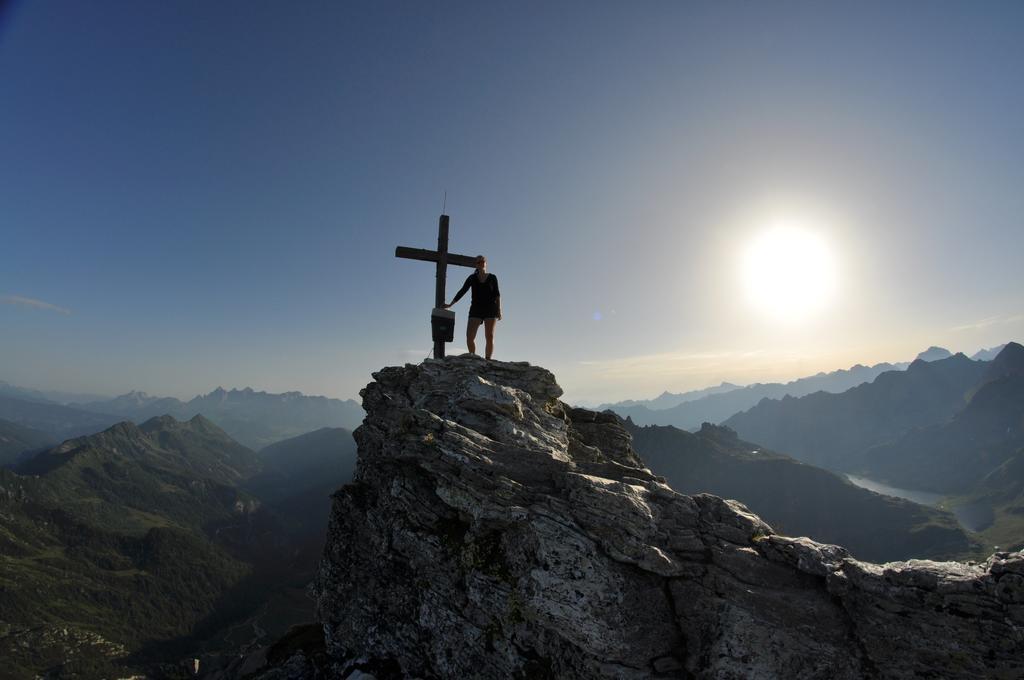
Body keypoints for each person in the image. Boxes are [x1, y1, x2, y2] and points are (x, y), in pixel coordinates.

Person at [443, 255, 501, 359]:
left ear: (485, 263)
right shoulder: (472, 278)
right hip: (476, 309)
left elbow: (497, 294)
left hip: (490, 309)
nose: (481, 263)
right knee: (469, 337)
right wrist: (450, 304)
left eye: (482, 261)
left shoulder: (492, 277)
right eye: (478, 262)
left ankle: (488, 361)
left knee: (489, 336)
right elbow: (462, 291)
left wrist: (499, 310)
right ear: (476, 265)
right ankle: (474, 359)